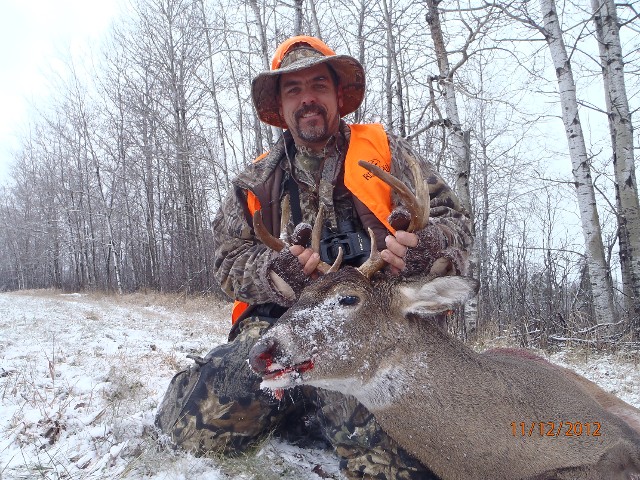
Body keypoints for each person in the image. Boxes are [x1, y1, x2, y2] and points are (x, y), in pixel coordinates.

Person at [155, 35, 473, 479]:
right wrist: (272, 273)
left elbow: (454, 222)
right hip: (284, 323)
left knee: (400, 460)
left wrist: (427, 249)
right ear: (280, 107)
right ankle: (290, 403)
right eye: (293, 90)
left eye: (318, 86)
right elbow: (227, 261)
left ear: (338, 96)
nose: (308, 100)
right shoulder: (255, 182)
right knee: (193, 429)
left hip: (376, 321)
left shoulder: (385, 153)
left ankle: (330, 413)